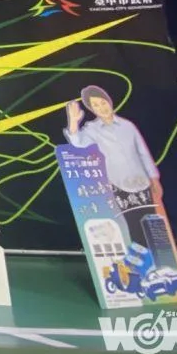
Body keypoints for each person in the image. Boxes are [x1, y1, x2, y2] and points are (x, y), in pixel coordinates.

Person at [64, 85, 161, 246]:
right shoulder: (92, 129)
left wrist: (154, 178)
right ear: (91, 109)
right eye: (95, 105)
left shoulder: (128, 126)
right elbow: (78, 143)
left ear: (109, 102)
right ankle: (140, 258)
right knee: (133, 225)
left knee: (150, 223)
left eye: (103, 102)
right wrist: (73, 122)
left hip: (142, 183)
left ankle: (155, 259)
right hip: (119, 185)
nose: (101, 107)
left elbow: (143, 153)